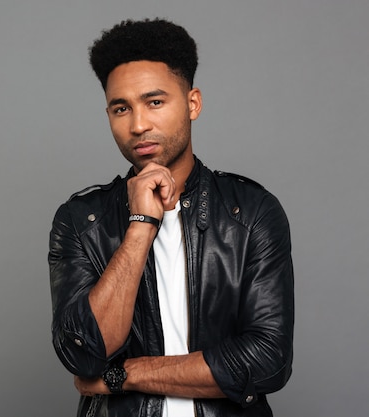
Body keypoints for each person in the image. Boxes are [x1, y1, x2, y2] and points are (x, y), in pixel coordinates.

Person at [48, 18, 294, 417]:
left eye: (155, 102)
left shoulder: (250, 213)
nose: (138, 124)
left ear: (192, 103)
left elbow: (268, 360)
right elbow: (86, 354)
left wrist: (122, 376)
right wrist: (141, 225)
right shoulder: (80, 221)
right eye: (121, 108)